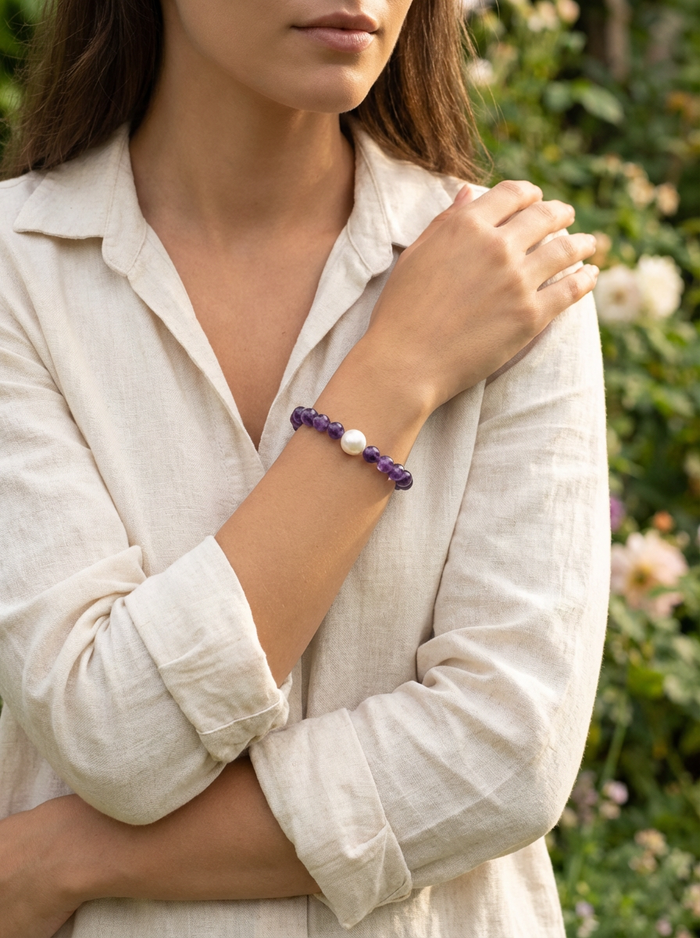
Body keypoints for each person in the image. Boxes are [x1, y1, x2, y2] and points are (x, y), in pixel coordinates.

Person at [0, 0, 610, 935]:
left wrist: (75, 855)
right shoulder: (18, 275)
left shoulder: (509, 278)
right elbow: (111, 730)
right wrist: (399, 371)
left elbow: (505, 754)